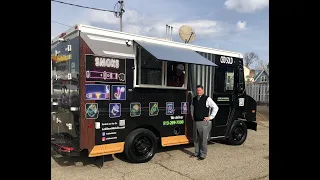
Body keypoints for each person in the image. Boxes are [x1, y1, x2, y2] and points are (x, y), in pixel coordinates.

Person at [190, 85, 219, 160]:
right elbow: (192, 108)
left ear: (203, 91)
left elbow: (215, 107)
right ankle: (196, 152)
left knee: (203, 140)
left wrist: (210, 117)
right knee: (196, 139)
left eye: (200, 90)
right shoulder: (194, 99)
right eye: (197, 90)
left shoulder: (207, 99)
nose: (198, 92)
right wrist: (192, 116)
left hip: (203, 123)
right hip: (195, 122)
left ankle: (203, 154)